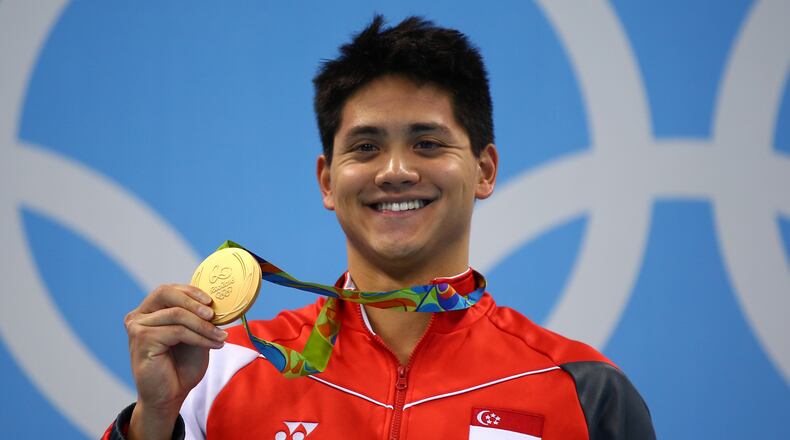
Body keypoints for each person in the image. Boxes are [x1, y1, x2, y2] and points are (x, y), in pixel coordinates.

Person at [104, 15, 655, 440]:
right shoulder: (220, 371)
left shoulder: (585, 390)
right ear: (327, 181)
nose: (395, 171)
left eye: (428, 143)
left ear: (484, 169)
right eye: (366, 147)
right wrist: (153, 421)